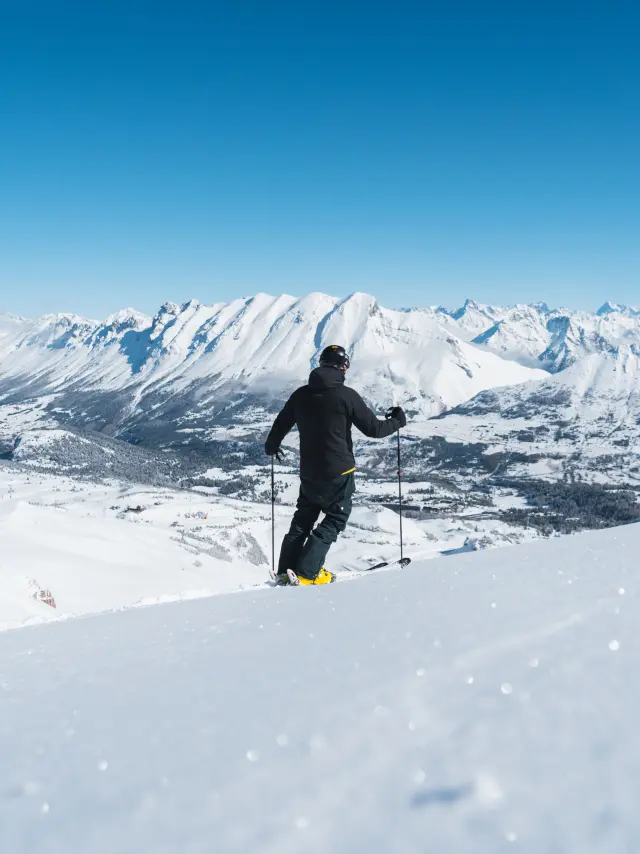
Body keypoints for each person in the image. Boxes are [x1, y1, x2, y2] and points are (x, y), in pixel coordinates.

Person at [264, 344, 406, 585]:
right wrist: (397, 422)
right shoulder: (346, 395)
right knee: (335, 519)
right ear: (344, 367)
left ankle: (285, 571)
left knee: (303, 519)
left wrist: (272, 445)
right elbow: (374, 429)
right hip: (339, 472)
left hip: (309, 471)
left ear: (319, 363)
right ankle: (307, 574)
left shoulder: (301, 394)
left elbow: (281, 423)